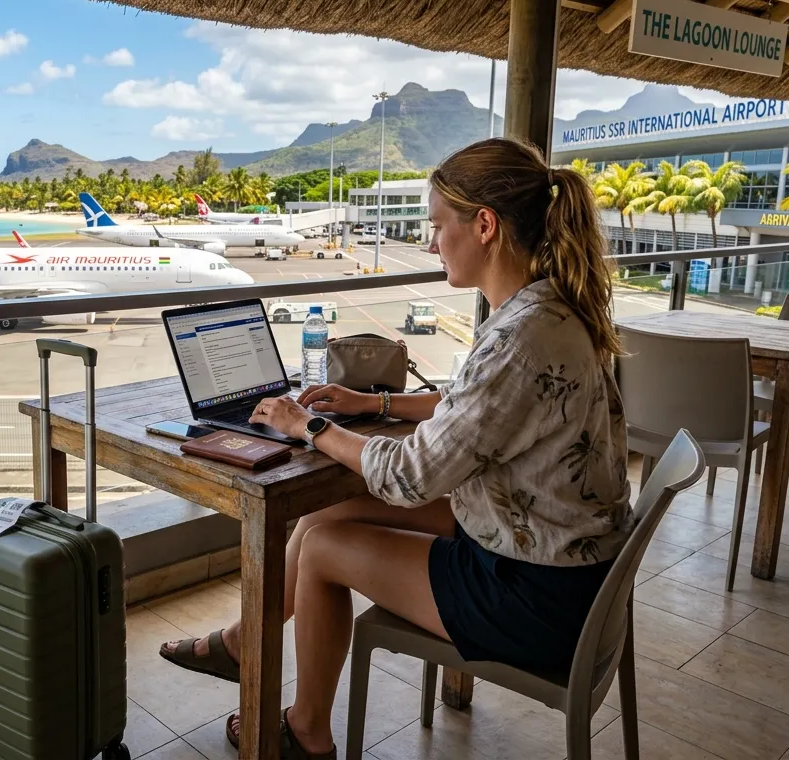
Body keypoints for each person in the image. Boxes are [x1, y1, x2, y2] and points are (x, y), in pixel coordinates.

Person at [158, 137, 632, 759]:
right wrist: (372, 405)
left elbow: (410, 476)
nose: (431, 243)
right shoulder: (547, 311)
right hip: (554, 555)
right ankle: (244, 642)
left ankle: (306, 732)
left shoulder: (519, 338)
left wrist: (311, 427)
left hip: (534, 594)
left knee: (322, 549)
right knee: (327, 512)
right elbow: (475, 407)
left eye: (436, 226)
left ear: (484, 226)